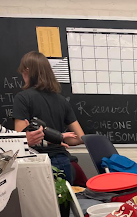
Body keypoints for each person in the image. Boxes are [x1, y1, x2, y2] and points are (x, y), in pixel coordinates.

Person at [13, 51, 84, 184]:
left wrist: (53, 139)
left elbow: (21, 139)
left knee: (39, 205)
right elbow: (79, 137)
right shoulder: (62, 100)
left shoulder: (22, 98)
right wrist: (59, 138)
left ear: (27, 71)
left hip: (37, 164)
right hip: (64, 162)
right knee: (64, 204)